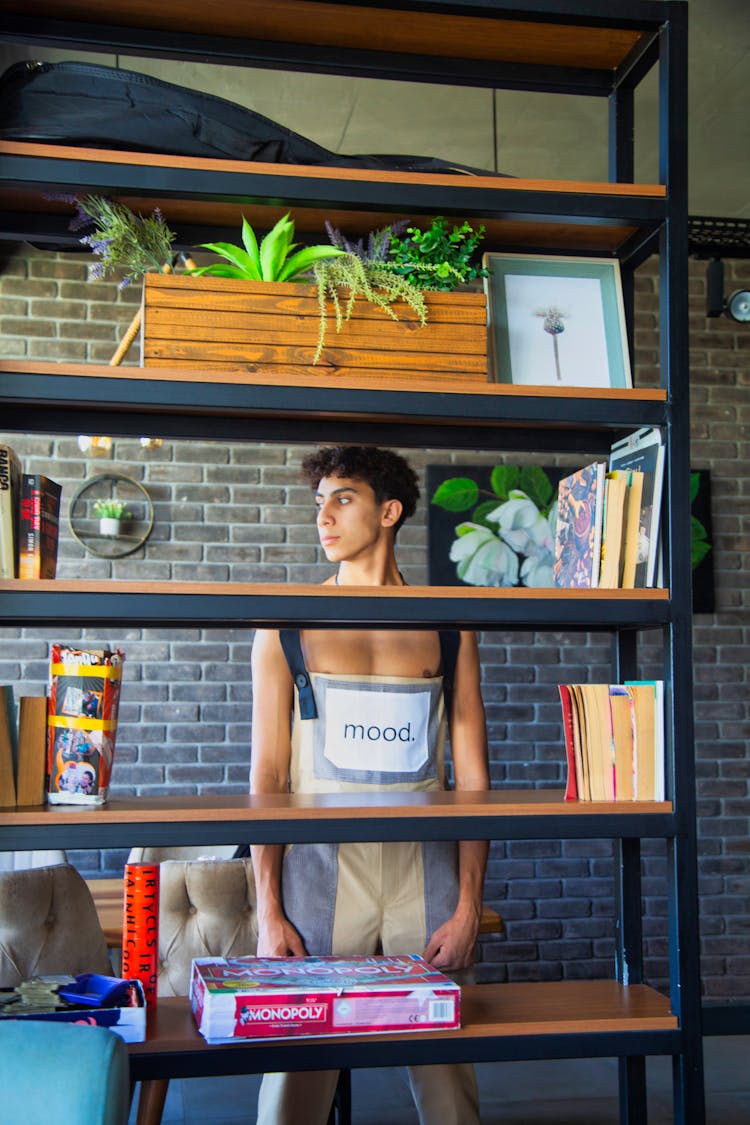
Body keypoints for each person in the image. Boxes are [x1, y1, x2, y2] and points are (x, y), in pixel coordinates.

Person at [250, 445, 490, 1125]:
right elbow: (266, 777)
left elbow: (473, 778)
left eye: (342, 498)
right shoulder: (284, 624)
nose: (322, 516)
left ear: (389, 511)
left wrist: (470, 902)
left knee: (449, 1080)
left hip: (427, 877)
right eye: (318, 502)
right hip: (321, 877)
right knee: (294, 1082)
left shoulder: (449, 626)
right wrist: (268, 909)